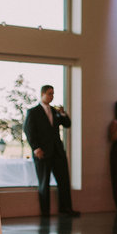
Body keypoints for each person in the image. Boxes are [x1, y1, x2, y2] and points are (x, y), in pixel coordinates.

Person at [23, 85, 79, 217]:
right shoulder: (33, 112)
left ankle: (66, 208)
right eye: (49, 94)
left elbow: (67, 124)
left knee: (64, 180)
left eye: (53, 94)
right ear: (42, 94)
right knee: (44, 182)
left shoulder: (55, 111)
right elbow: (29, 131)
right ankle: (45, 212)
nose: (51, 96)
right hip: (42, 153)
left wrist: (63, 113)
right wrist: (36, 148)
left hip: (57, 152)